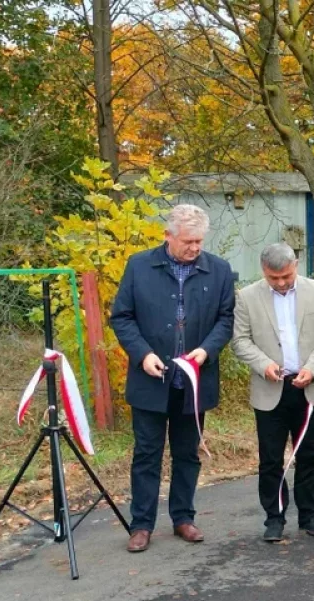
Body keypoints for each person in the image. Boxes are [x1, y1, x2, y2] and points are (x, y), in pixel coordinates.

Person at [109, 204, 235, 553]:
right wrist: (142, 354)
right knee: (147, 453)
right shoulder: (139, 266)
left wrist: (207, 350)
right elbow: (122, 317)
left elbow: (226, 320)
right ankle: (142, 525)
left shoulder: (219, 271)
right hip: (150, 380)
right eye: (187, 241)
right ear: (168, 236)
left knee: (187, 453)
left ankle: (183, 517)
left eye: (199, 241)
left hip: (194, 382)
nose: (194, 248)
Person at [230, 243, 314, 542]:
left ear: (296, 265)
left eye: (286, 277)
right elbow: (240, 341)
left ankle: (310, 515)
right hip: (270, 388)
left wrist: (313, 368)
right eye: (273, 278)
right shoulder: (247, 297)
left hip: (308, 387)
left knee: (308, 455)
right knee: (270, 459)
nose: (280, 283)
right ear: (264, 272)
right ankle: (274, 517)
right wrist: (264, 365)